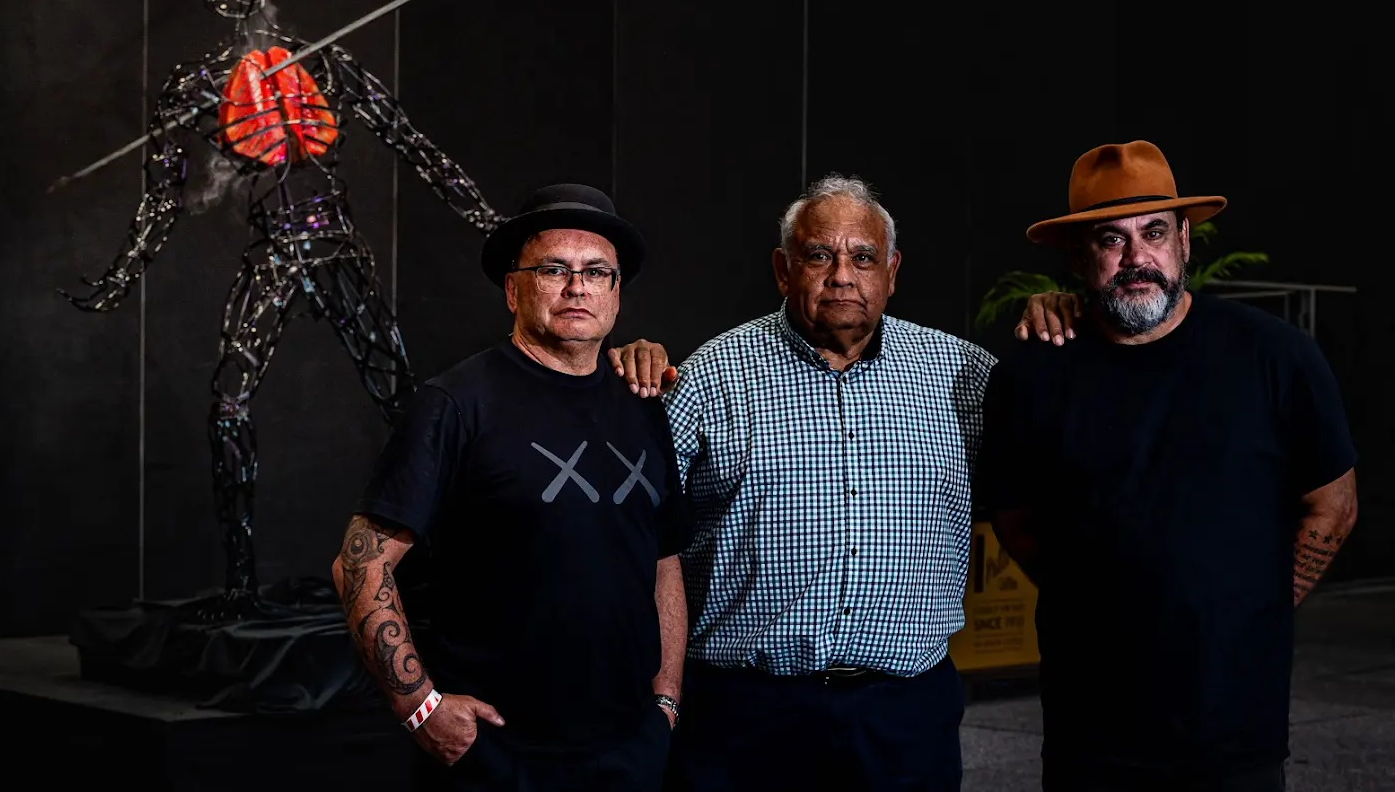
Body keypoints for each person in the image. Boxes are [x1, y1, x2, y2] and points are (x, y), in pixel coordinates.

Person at [976, 140, 1359, 792]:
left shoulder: (1276, 357)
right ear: (1079, 257)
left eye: (1154, 232)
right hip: (1090, 729)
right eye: (1110, 240)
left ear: (1185, 238)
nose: (1136, 259)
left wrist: (1257, 603)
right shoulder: (1034, 374)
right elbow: (1015, 518)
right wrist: (1098, 596)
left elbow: (1334, 503)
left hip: (1233, 726)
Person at [607, 173, 998, 791]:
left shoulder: (966, 377)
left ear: (892, 271)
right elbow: (641, 546)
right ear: (783, 269)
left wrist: (1055, 318)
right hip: (744, 714)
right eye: (819, 254)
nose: (843, 274)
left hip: (905, 716)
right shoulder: (709, 378)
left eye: (863, 257)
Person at [331, 183, 691, 792]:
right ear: (512, 288)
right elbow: (359, 566)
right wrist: (420, 706)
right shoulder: (456, 403)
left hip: (629, 748)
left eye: (596, 272)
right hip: (500, 752)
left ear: (615, 292)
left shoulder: (643, 404)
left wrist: (666, 701)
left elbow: (662, 561)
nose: (577, 287)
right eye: (554, 268)